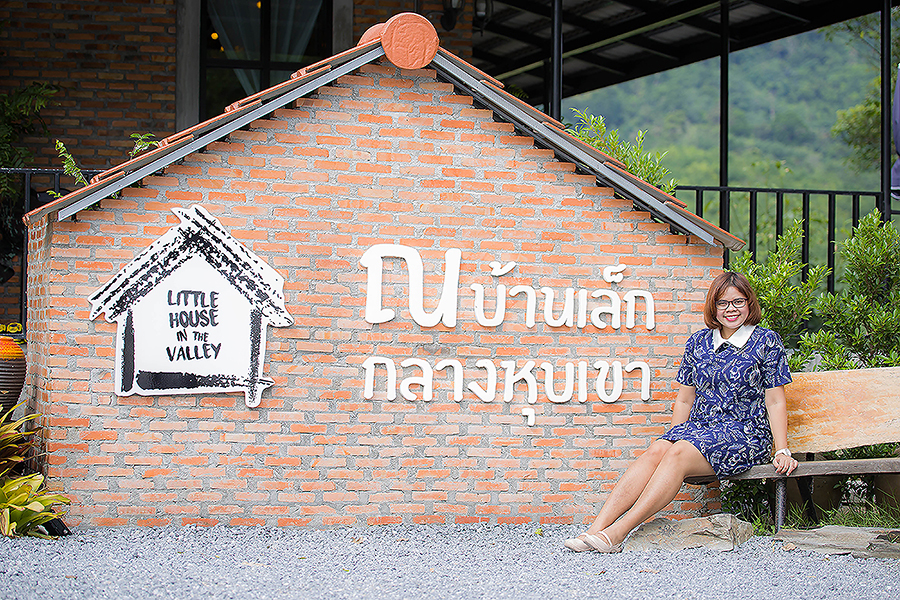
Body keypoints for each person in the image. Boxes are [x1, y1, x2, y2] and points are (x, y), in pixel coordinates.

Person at [565, 271, 798, 553]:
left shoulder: (766, 341)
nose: (731, 309)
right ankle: (595, 529)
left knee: (678, 452)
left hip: (744, 433)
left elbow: (775, 401)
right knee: (658, 449)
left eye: (738, 302)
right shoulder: (698, 342)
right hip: (701, 430)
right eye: (723, 303)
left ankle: (616, 533)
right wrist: (674, 436)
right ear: (713, 307)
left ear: (749, 303)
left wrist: (782, 450)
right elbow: (685, 400)